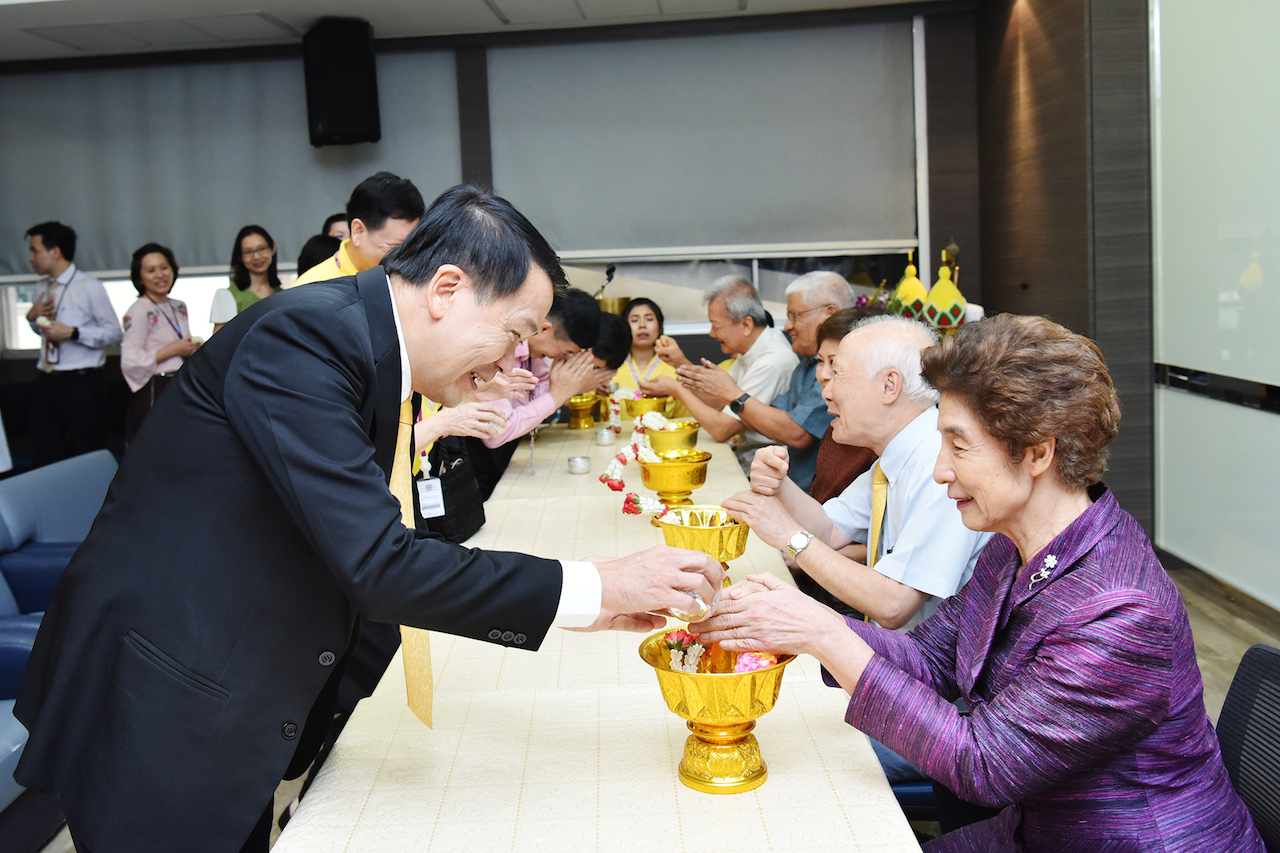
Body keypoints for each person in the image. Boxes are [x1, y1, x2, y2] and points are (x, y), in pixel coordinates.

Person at [14, 185, 724, 853]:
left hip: (236, 688)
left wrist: (577, 604)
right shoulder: (304, 341)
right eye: (513, 332)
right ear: (446, 289)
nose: (516, 358)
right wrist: (596, 586)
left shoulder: (367, 345)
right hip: (166, 707)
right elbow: (378, 560)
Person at [694, 315, 1265, 852]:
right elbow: (928, 661)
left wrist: (825, 635)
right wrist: (800, 627)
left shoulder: (1120, 610)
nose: (941, 468)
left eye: (958, 444)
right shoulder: (1013, 548)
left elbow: (984, 765)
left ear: (1037, 452)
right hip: (1032, 831)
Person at [666, 271, 853, 490]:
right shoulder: (805, 365)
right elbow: (755, 410)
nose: (787, 326)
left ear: (829, 314)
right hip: (791, 484)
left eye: (795, 316)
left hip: (810, 490)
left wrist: (728, 394)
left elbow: (796, 433)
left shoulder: (787, 362)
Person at [644, 275, 797, 468]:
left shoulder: (771, 362)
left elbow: (721, 428)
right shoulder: (753, 349)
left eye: (716, 325)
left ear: (746, 325)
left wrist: (676, 389)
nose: (712, 333)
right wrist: (679, 363)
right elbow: (719, 401)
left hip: (764, 468)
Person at [23, 221, 123, 467]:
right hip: (46, 378)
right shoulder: (41, 287)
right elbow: (42, 331)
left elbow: (114, 334)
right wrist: (32, 318)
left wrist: (74, 333)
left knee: (86, 451)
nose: (30, 258)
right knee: (45, 451)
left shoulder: (89, 287)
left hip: (81, 382)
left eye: (35, 250)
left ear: (54, 251)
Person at [481, 287, 602, 450]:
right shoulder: (499, 352)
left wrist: (566, 388)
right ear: (544, 329)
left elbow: (532, 397)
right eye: (567, 352)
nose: (562, 358)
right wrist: (556, 396)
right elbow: (496, 433)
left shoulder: (536, 354)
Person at [120, 243, 200, 443]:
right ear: (140, 277)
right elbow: (130, 362)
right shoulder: (138, 310)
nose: (160, 275)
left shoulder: (179, 306)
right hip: (155, 388)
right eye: (151, 270)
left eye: (164, 267)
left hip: (180, 384)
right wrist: (174, 349)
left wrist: (190, 350)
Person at [292, 171, 424, 286]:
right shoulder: (312, 287)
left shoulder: (417, 280)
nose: (407, 257)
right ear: (358, 231)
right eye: (396, 246)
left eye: (413, 246)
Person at [808, 307, 879, 505]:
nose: (823, 374)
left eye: (835, 364)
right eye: (820, 362)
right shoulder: (836, 430)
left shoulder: (879, 443)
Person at [612, 298, 688, 418]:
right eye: (635, 320)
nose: (642, 325)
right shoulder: (611, 366)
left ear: (659, 325)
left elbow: (684, 416)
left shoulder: (674, 369)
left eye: (649, 319)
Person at [210, 225, 283, 333]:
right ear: (240, 256)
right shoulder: (227, 296)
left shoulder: (284, 294)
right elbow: (220, 344)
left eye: (262, 248)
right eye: (249, 252)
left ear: (273, 248)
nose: (257, 257)